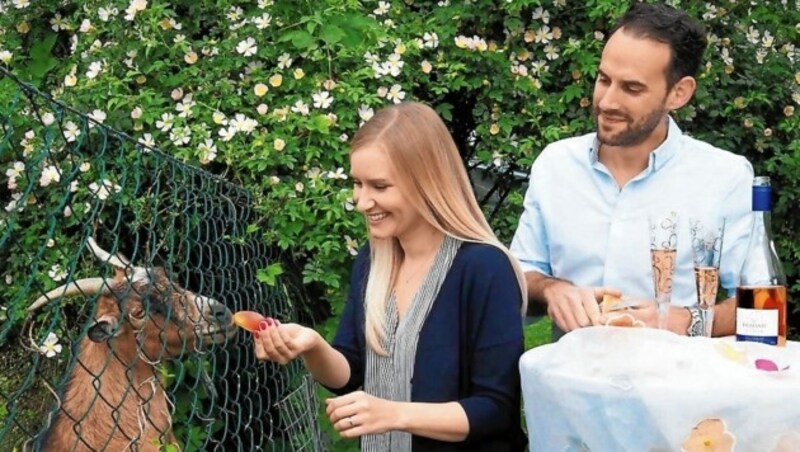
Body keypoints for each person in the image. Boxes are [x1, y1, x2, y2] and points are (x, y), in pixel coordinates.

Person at [253, 102, 528, 451]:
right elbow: (349, 374)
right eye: (357, 183)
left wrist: (394, 414)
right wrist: (312, 345)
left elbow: (495, 409)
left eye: (380, 187)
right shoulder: (373, 260)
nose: (362, 201)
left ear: (428, 183)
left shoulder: (484, 268)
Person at [510, 3, 753, 340]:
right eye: (604, 79)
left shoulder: (724, 178)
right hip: (568, 388)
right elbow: (521, 276)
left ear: (679, 93)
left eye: (632, 88)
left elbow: (765, 304)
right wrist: (553, 291)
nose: (607, 101)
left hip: (674, 388)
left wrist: (682, 321)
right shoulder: (556, 165)